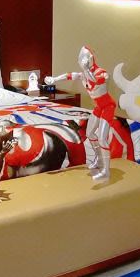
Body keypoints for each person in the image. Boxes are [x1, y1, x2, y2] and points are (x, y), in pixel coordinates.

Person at [45, 46, 116, 180]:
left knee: (102, 138)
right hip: (98, 107)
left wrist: (87, 69)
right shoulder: (83, 75)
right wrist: (54, 79)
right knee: (89, 133)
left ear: (90, 59)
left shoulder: (101, 72)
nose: (83, 61)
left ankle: (106, 170)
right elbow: (69, 75)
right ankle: (99, 158)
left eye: (85, 58)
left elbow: (96, 80)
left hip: (108, 106)